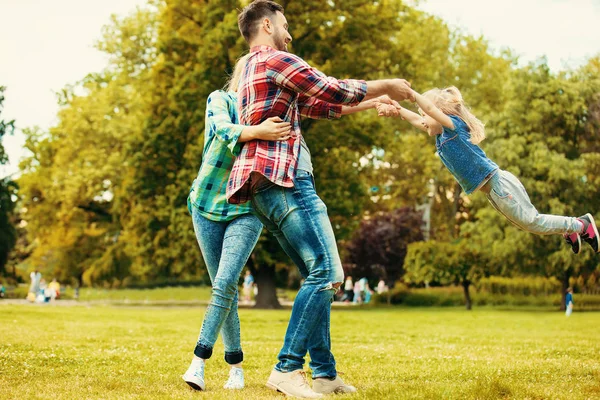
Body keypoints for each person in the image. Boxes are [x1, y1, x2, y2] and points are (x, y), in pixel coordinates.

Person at [230, 2, 413, 397]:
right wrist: (387, 85)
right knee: (328, 273)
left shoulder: (250, 69)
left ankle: (325, 373)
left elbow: (321, 104)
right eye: (285, 24)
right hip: (286, 179)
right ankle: (286, 369)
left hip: (262, 188)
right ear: (267, 24)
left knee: (318, 274)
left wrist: (370, 103)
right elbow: (331, 87)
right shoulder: (276, 59)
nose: (289, 32)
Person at [377, 86, 599, 254]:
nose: (423, 120)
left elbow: (429, 110)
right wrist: (398, 111)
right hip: (495, 188)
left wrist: (411, 94)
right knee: (529, 223)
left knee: (532, 221)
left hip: (499, 184)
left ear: (437, 112)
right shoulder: (441, 137)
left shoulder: (453, 127)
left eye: (425, 115)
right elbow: (418, 119)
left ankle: (580, 225)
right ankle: (569, 228)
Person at [182, 54, 292, 392]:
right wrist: (258, 131)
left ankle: (198, 362)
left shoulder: (272, 112)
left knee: (225, 282)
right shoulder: (221, 99)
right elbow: (221, 129)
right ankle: (236, 367)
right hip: (206, 203)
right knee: (223, 287)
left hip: (247, 208)